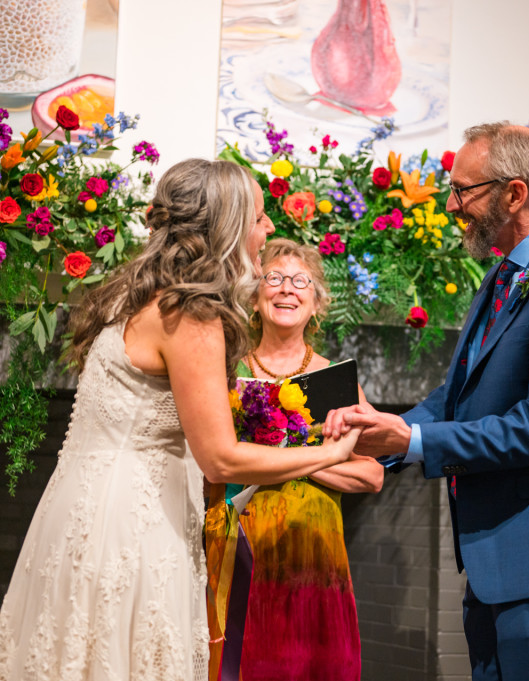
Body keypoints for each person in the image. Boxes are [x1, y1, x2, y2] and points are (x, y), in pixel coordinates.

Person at [0, 160, 359, 681]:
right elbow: (220, 457)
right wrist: (330, 453)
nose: (268, 230)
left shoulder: (131, 292)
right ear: (226, 224)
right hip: (134, 523)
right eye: (259, 218)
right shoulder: (191, 313)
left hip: (81, 509)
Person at [325, 122, 529, 681]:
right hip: (498, 547)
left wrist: (416, 442)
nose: (451, 203)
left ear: (514, 193)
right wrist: (385, 433)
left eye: (464, 190)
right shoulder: (502, 272)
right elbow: (459, 395)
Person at [203, 238, 383, 681]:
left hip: (315, 561)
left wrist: (295, 453)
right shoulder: (225, 374)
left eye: (301, 281)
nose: (287, 289)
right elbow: (209, 466)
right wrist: (314, 453)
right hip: (240, 552)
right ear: (254, 296)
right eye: (275, 278)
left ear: (317, 302)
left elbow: (372, 474)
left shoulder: (337, 382)